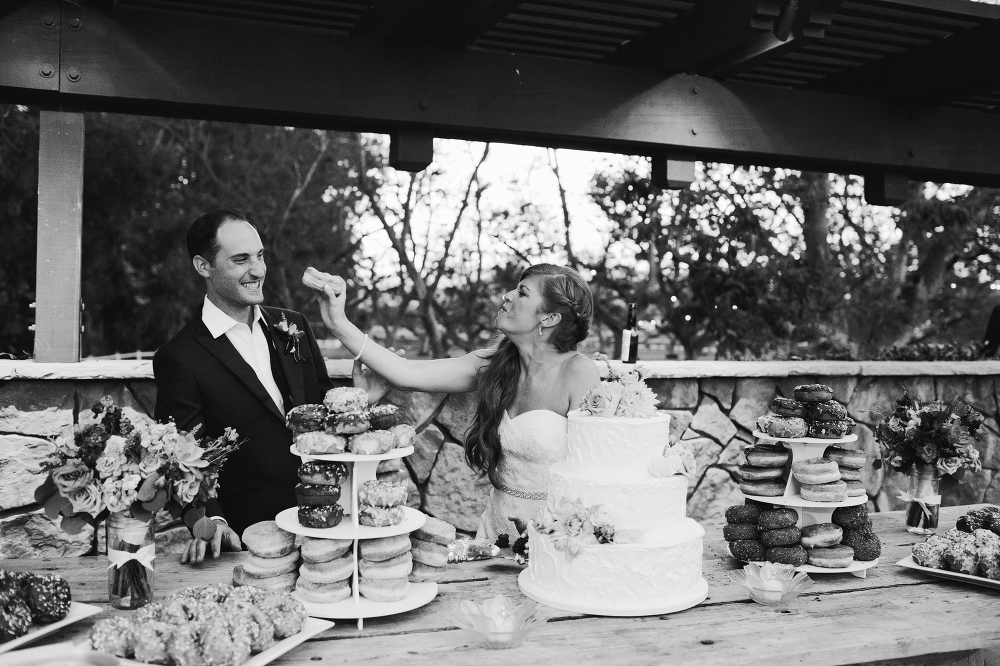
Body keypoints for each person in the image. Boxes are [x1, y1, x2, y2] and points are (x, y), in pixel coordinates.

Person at [306, 263, 600, 540]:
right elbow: (407, 373)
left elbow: (594, 474)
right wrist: (338, 323)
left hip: (556, 536)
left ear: (548, 319)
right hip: (497, 528)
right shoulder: (494, 363)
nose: (507, 295)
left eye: (522, 292)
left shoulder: (579, 373)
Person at [154, 209, 335, 564]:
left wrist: (361, 398)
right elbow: (182, 460)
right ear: (203, 266)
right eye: (240, 260)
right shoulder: (179, 357)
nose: (258, 270)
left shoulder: (293, 326)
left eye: (260, 255)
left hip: (323, 523)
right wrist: (211, 521)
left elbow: (322, 411)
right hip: (248, 541)